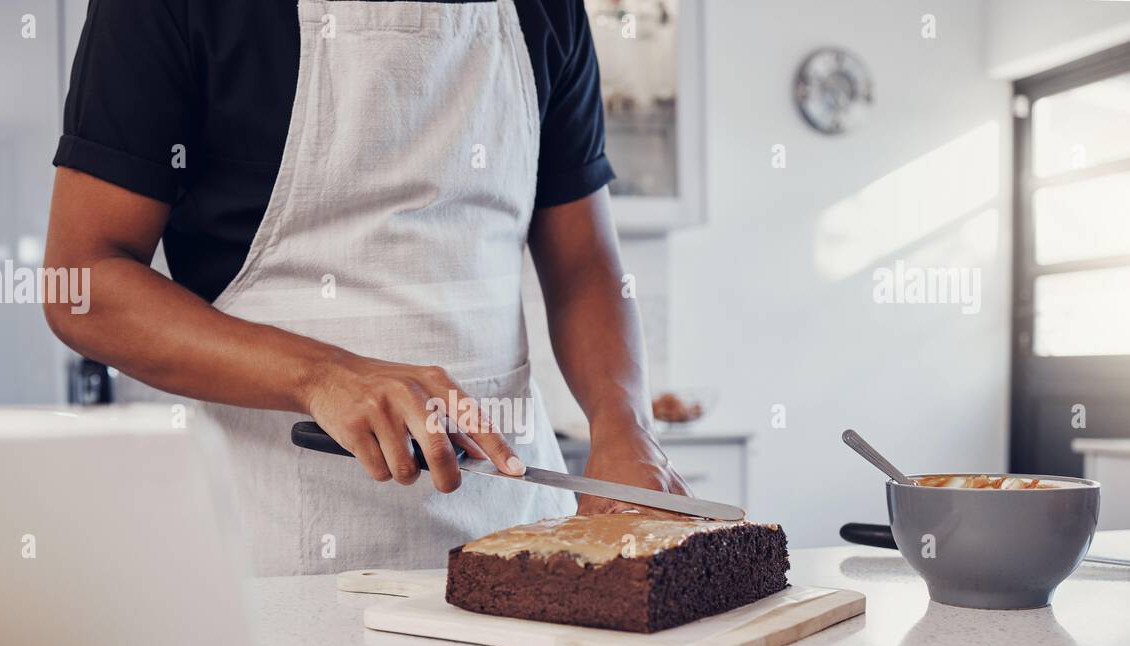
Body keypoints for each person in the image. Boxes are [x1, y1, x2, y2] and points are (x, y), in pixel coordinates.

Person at [43, 0, 690, 575]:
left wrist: (623, 425)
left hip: (515, 529)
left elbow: (584, 265)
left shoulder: (550, 10)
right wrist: (323, 374)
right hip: (273, 547)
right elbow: (85, 281)